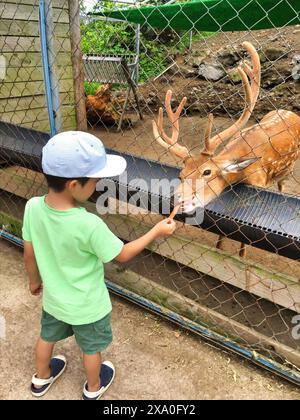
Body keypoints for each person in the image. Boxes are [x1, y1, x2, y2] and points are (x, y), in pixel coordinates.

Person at [22, 131, 176, 400]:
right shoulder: (89, 224)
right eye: (94, 180)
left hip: (55, 300)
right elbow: (123, 254)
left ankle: (41, 378)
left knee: (46, 337)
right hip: (88, 306)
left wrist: (34, 281)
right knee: (91, 349)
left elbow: (29, 253)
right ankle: (93, 388)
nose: (97, 184)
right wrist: (155, 231)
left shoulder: (33, 207)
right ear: (73, 184)